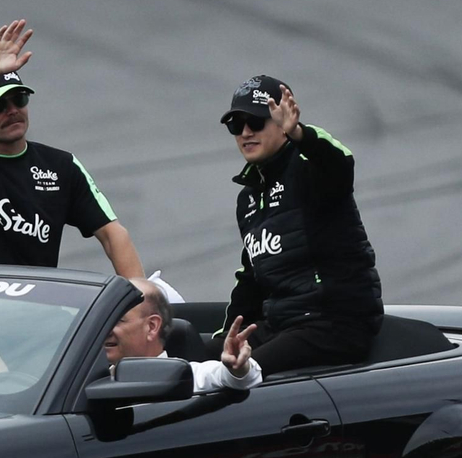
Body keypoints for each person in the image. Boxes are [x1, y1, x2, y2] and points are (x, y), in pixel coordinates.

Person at [0, 20, 153, 281]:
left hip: (35, 303)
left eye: (19, 99)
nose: (12, 110)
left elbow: (113, 234)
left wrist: (140, 296)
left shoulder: (60, 166)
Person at [218, 76, 383, 372]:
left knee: (241, 371)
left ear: (283, 123)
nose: (245, 132)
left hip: (334, 323)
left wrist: (300, 134)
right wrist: (226, 339)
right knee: (193, 355)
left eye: (255, 122)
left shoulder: (311, 168)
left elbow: (340, 163)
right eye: (236, 125)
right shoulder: (249, 198)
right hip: (283, 325)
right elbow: (251, 280)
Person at [105, 281, 261, 393]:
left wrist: (238, 367)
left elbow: (229, 376)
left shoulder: (183, 377)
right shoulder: (95, 379)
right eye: (104, 319)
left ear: (151, 327)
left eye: (117, 320)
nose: (105, 329)